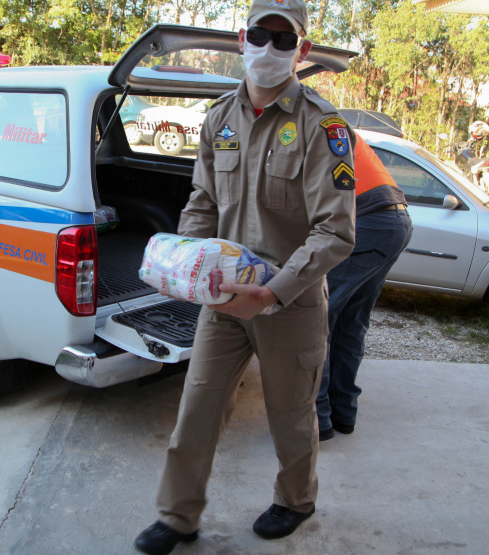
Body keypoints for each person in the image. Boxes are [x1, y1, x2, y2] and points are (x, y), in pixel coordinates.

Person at [133, 1, 357, 553]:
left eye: (286, 41)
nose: (271, 49)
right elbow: (203, 201)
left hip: (290, 301)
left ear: (302, 52)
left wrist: (274, 292)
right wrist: (187, 260)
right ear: (242, 39)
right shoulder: (218, 119)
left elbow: (335, 232)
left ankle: (295, 501)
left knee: (291, 416)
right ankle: (177, 515)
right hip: (225, 298)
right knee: (197, 408)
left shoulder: (323, 126)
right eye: (262, 35)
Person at [316, 133, 412, 441]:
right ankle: (343, 413)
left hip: (367, 223)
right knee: (349, 323)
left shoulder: (306, 125)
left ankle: (316, 419)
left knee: (315, 320)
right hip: (393, 222)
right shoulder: (331, 124)